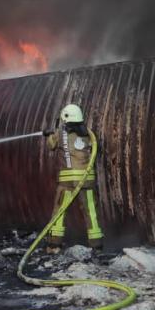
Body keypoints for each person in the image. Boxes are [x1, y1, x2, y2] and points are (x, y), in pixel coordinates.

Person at [43, 104, 104, 250]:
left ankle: (54, 244)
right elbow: (96, 149)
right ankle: (97, 246)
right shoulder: (90, 135)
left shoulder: (60, 133)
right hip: (87, 180)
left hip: (68, 182)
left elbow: (51, 146)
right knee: (91, 213)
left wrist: (49, 135)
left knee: (59, 211)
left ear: (65, 118)